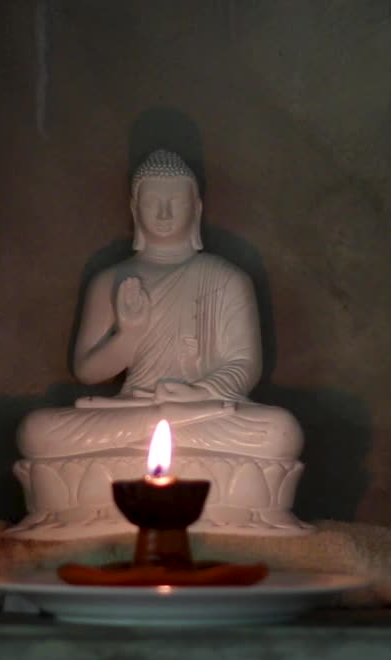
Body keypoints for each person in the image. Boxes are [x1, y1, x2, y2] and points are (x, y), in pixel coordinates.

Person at [16, 149, 302, 461]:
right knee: (37, 432)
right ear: (134, 208)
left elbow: (244, 364)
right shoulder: (111, 280)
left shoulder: (228, 278)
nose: (164, 214)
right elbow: (87, 371)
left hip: (205, 413)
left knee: (280, 431)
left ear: (196, 208)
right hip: (132, 409)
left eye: (176, 203)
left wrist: (201, 392)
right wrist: (130, 336)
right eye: (152, 202)